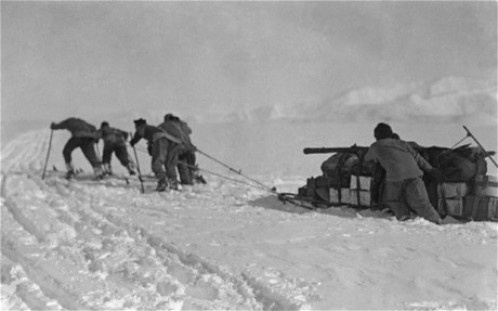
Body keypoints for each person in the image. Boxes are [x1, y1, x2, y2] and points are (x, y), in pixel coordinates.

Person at [363, 123, 444, 224]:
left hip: (395, 177)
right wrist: (431, 169)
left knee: (394, 199)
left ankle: (404, 217)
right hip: (414, 175)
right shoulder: (402, 143)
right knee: (422, 203)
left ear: (376, 136)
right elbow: (418, 158)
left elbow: (367, 159)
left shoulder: (376, 146)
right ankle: (437, 220)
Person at [129, 118, 181, 191]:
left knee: (156, 163)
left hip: (160, 139)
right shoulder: (153, 128)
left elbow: (139, 133)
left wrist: (133, 141)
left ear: (138, 125)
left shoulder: (142, 127)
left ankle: (163, 181)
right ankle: (173, 182)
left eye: (136, 126)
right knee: (169, 163)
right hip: (173, 141)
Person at [158, 113, 206, 185]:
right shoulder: (182, 124)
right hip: (190, 149)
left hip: (179, 150)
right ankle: (195, 178)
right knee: (190, 166)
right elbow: (190, 131)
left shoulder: (166, 126)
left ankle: (182, 182)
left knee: (179, 166)